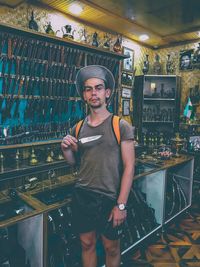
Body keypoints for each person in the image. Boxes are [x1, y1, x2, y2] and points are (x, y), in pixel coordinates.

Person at [61, 65, 135, 267]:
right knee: (87, 244)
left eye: (99, 88)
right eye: (88, 89)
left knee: (111, 248)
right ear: (84, 95)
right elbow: (74, 163)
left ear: (107, 92)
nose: (94, 93)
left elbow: (129, 167)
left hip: (110, 197)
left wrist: (121, 205)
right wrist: (66, 149)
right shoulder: (77, 128)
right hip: (82, 195)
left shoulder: (120, 125)